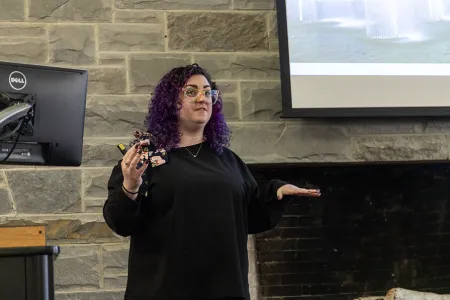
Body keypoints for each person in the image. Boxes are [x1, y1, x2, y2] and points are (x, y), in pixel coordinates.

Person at [102, 63, 321, 300]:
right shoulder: (144, 158)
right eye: (191, 92)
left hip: (224, 289)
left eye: (208, 92)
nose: (202, 98)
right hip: (165, 291)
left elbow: (248, 215)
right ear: (170, 102)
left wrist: (277, 191)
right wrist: (130, 186)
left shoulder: (228, 160)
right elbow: (120, 222)